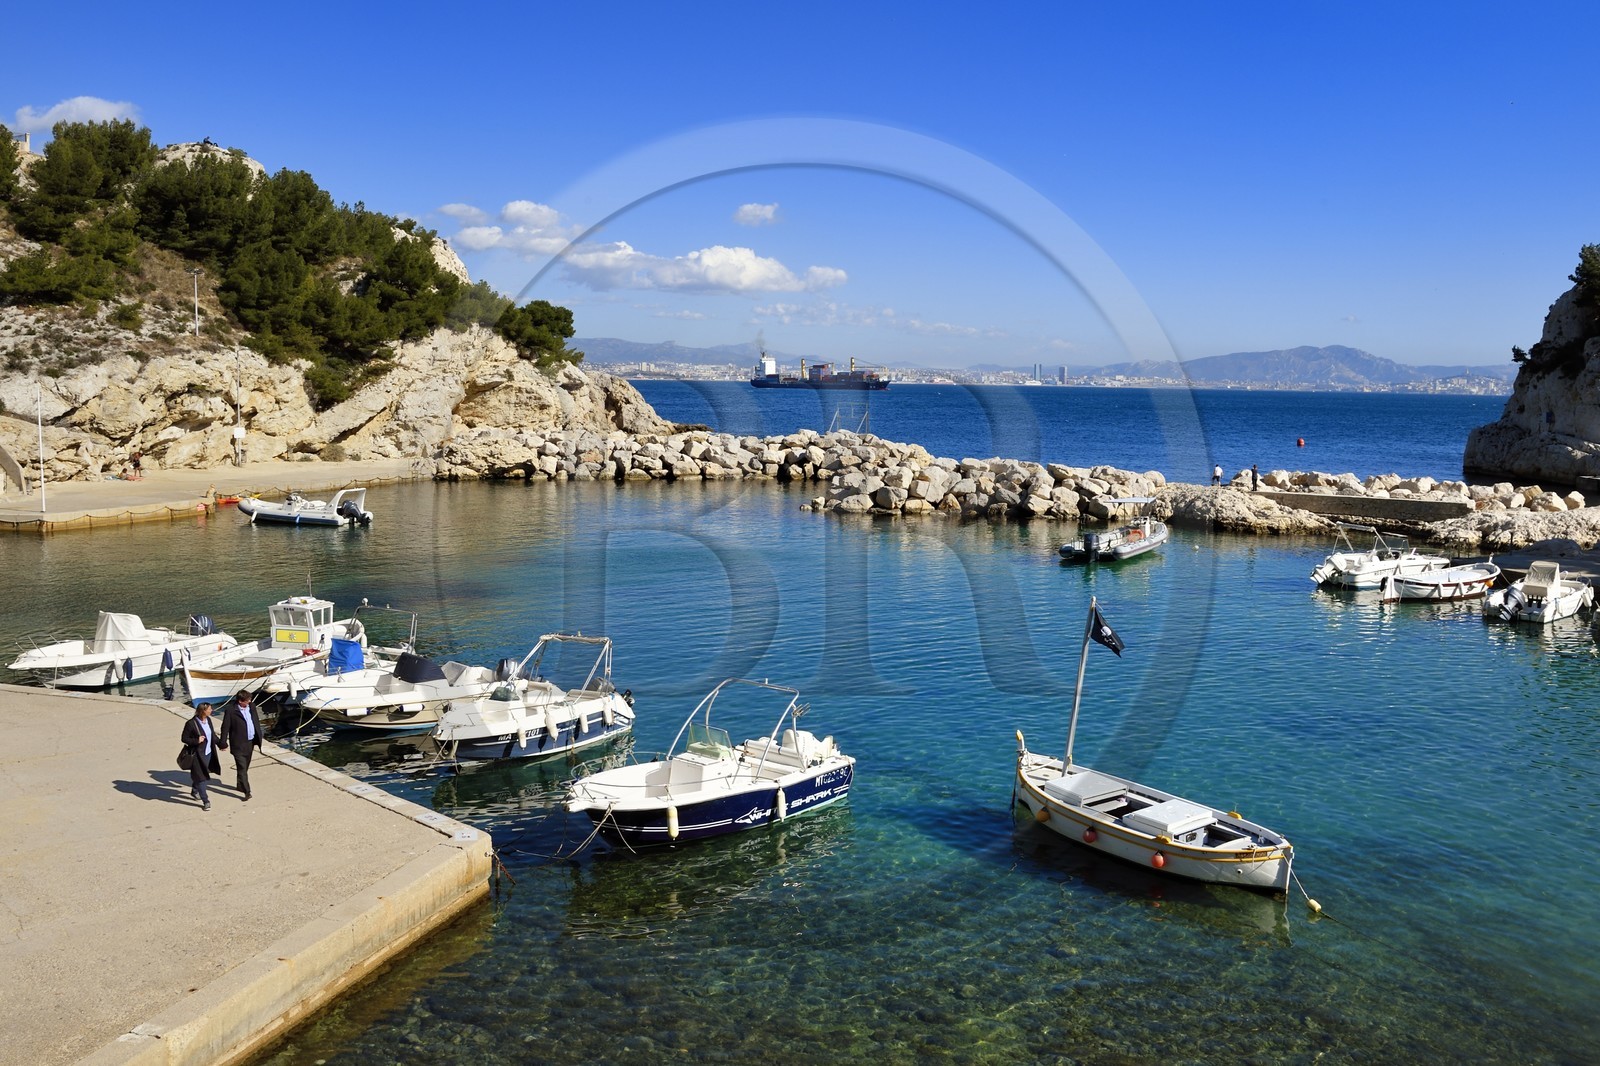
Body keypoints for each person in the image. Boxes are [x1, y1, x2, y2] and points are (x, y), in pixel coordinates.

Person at [219, 690, 264, 801]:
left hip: (250, 742)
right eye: (247, 700)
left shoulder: (251, 706)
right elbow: (225, 727)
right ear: (240, 701)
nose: (249, 702)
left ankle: (240, 785)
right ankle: (247, 791)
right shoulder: (231, 710)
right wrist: (223, 742)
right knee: (242, 768)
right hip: (238, 744)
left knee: (245, 767)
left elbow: (255, 721)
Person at [181, 702, 221, 810]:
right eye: (209, 709)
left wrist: (221, 744)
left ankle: (195, 791)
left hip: (208, 753)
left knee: (199, 775)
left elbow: (212, 735)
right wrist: (196, 740)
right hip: (197, 755)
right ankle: (206, 801)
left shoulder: (209, 720)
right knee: (201, 778)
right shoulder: (191, 724)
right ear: (203, 711)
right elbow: (184, 738)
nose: (211, 710)